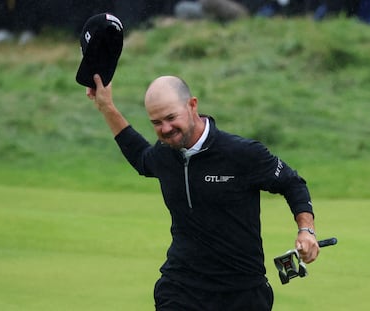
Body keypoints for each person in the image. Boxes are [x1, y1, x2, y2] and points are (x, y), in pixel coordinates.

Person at [86, 73, 320, 310]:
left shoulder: (241, 153)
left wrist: (306, 230)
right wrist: (106, 107)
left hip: (242, 292)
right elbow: (140, 157)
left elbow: (292, 183)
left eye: (170, 117)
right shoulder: (165, 154)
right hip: (181, 288)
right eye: (156, 123)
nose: (165, 129)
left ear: (192, 105)